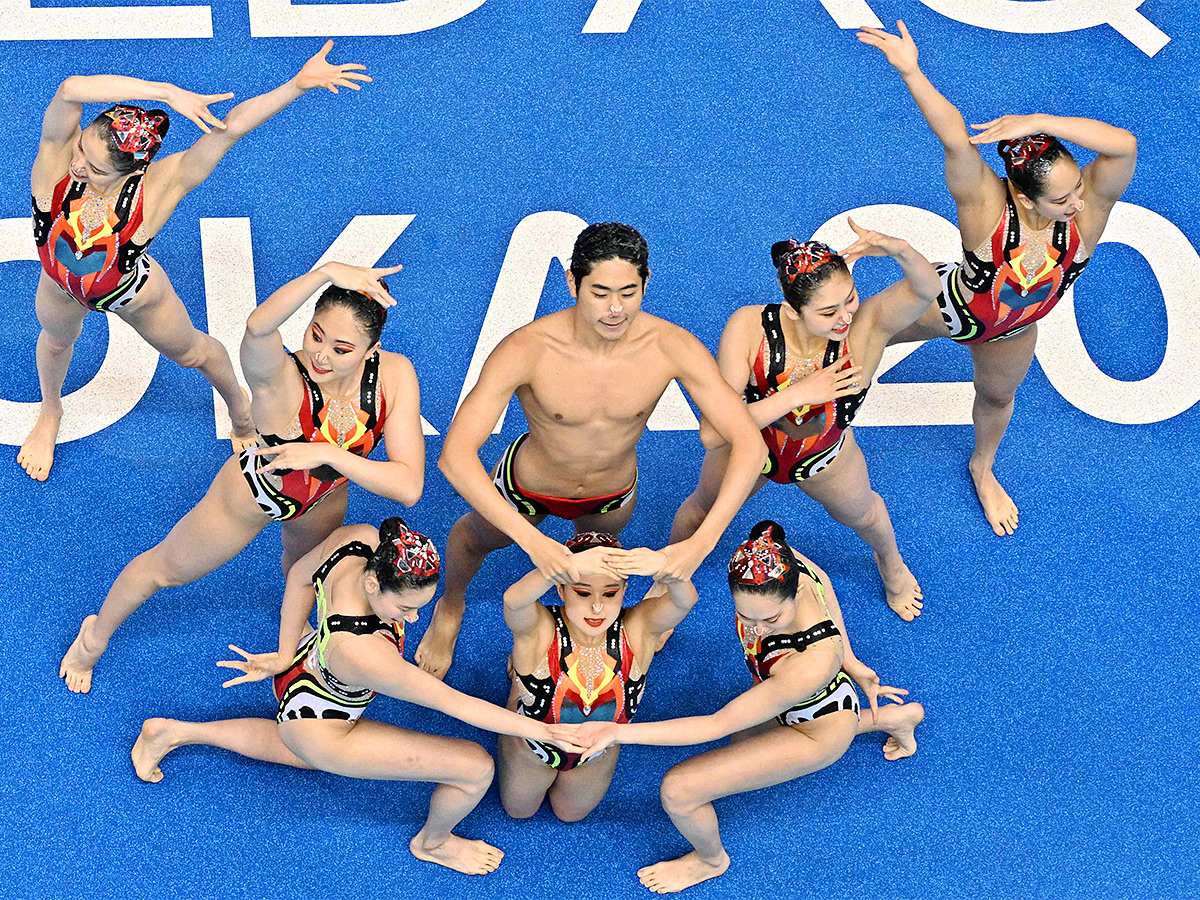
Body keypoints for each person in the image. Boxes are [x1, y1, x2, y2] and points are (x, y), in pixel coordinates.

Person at [131, 519, 590, 876]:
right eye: (406, 608)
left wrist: (285, 651)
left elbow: (297, 579)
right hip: (326, 718)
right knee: (475, 768)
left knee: (294, 744)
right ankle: (432, 843)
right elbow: (453, 704)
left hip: (303, 674)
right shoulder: (369, 654)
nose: (412, 621)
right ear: (374, 585)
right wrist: (543, 729)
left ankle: (175, 732)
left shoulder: (359, 540)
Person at [416, 222, 765, 678]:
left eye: (628, 292)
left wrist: (701, 544)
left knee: (595, 584)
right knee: (476, 538)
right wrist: (534, 543)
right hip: (528, 486)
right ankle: (451, 604)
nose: (615, 309)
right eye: (599, 292)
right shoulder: (529, 348)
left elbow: (749, 444)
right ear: (571, 282)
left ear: (646, 283)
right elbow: (455, 455)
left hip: (610, 496)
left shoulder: (671, 347)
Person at [59, 262, 424, 693]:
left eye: (342, 349)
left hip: (324, 497)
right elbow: (257, 329)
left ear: (372, 350)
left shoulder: (394, 376)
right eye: (316, 334)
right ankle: (93, 638)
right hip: (256, 492)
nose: (322, 355)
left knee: (302, 572)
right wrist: (322, 273)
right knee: (165, 570)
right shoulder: (279, 378)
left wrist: (327, 455)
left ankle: (298, 621)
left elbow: (409, 487)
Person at [19, 40, 371, 481]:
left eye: (95, 166)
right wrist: (164, 91)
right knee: (54, 342)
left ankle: (240, 413)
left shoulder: (155, 190)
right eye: (81, 149)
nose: (78, 165)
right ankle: (50, 412)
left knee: (195, 354)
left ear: (132, 172)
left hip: (130, 292)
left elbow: (228, 131)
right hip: (59, 284)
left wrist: (296, 85)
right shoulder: (55, 163)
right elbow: (71, 88)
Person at [858, 21, 1137, 536]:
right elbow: (955, 140)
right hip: (948, 304)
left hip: (1008, 332)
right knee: (861, 334)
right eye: (1062, 198)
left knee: (996, 398)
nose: (1078, 202)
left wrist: (1038, 119)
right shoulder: (987, 209)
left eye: (1078, 186)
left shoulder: (1088, 213)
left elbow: (1123, 146)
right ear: (1026, 199)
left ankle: (982, 468)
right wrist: (912, 72)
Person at [563, 521, 925, 894]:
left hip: (816, 731)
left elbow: (716, 723)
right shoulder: (778, 563)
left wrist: (618, 732)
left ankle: (710, 860)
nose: (757, 629)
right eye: (746, 616)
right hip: (813, 702)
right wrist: (852, 660)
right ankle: (897, 718)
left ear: (795, 593)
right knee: (744, 740)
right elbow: (825, 584)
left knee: (679, 790)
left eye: (770, 619)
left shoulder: (808, 664)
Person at [666, 221, 943, 621]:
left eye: (849, 299)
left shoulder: (865, 327)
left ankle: (892, 566)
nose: (845, 316)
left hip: (824, 456)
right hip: (752, 451)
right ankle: (668, 583)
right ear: (793, 311)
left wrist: (899, 247)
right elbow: (712, 434)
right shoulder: (750, 328)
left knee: (866, 516)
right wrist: (798, 394)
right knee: (700, 510)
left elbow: (927, 290)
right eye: (828, 311)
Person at [498, 531, 698, 822]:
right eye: (582, 592)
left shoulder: (637, 629)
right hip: (531, 746)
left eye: (610, 593)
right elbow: (514, 601)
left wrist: (662, 567)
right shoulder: (540, 629)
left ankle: (521, 672)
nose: (596, 607)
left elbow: (684, 601)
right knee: (518, 811)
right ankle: (518, 687)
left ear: (624, 590)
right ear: (561, 590)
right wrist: (561, 567)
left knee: (571, 815)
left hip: (596, 753)